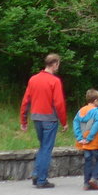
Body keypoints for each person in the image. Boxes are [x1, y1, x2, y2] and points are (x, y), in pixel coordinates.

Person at [19, 53, 67, 188]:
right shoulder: (54, 81)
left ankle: (36, 173)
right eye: (58, 64)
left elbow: (26, 101)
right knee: (46, 148)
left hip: (36, 117)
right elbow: (59, 103)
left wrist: (23, 120)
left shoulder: (33, 79)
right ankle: (41, 180)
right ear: (55, 64)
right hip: (50, 119)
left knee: (42, 147)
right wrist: (64, 121)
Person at [73, 88, 98, 190]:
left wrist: (79, 137)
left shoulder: (81, 111)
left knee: (88, 161)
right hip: (94, 142)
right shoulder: (97, 112)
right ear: (96, 100)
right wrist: (90, 137)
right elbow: (97, 125)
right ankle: (94, 178)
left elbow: (76, 123)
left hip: (84, 142)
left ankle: (86, 183)